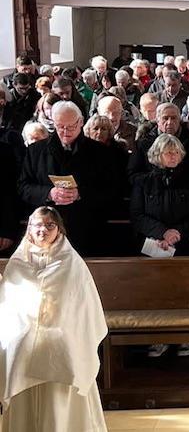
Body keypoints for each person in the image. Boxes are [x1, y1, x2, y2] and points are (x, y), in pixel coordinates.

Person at [0, 207, 108, 431]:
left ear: (59, 231)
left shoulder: (71, 263)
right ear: (29, 229)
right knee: (17, 346)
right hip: (24, 333)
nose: (43, 230)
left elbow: (81, 305)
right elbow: (9, 305)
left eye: (50, 225)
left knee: (59, 348)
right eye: (38, 225)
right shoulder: (17, 263)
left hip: (62, 331)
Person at [18, 101, 120, 256]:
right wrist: (49, 193)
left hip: (87, 230)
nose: (65, 131)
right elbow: (23, 187)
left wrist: (80, 194)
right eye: (60, 126)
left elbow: (112, 190)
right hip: (46, 233)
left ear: (80, 122)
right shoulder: (35, 151)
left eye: (70, 126)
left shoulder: (100, 152)